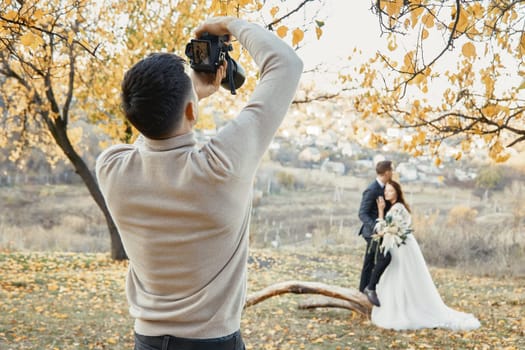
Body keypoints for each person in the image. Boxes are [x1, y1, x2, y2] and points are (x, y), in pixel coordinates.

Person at [95, 16, 303, 350]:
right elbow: (287, 64)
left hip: (146, 340)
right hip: (212, 342)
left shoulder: (111, 169)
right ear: (191, 110)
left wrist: (190, 100)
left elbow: (150, 132)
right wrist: (229, 23)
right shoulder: (220, 166)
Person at [371, 180, 481, 330]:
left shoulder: (397, 208)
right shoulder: (396, 207)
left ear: (397, 192)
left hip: (400, 246)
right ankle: (400, 306)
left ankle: (403, 310)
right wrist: (382, 212)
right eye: (386, 191)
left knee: (401, 275)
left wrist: (381, 212)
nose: (386, 193)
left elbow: (388, 228)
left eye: (390, 191)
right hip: (398, 244)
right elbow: (388, 228)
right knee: (398, 275)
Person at [357, 160, 393, 306]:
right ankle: (370, 288)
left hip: (381, 230)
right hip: (371, 232)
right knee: (385, 257)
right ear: (387, 173)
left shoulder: (384, 187)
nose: (393, 173)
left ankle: (361, 292)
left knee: (369, 261)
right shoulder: (372, 189)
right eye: (392, 170)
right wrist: (376, 228)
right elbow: (362, 213)